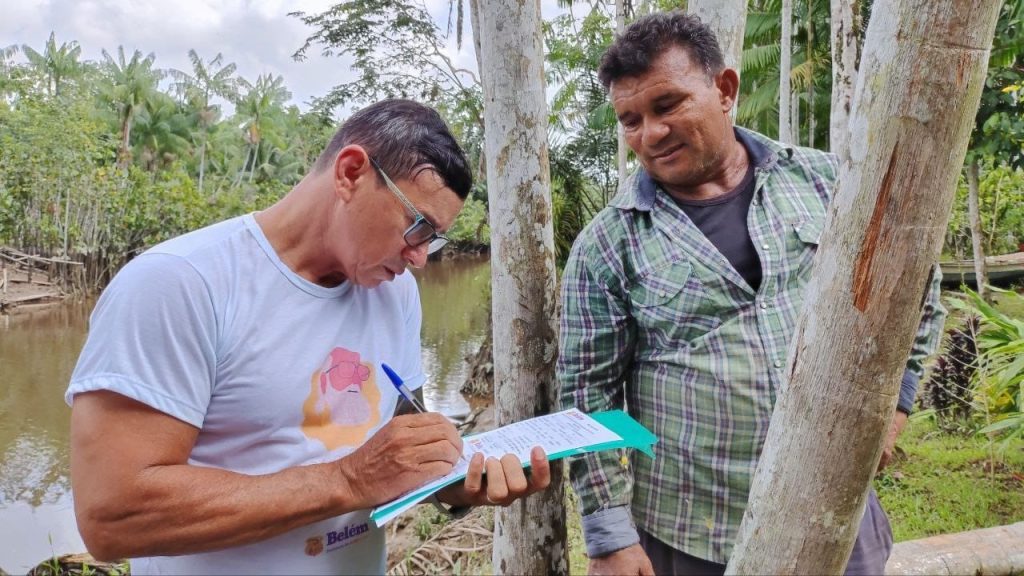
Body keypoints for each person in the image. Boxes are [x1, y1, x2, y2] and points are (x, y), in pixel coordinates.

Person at [67, 98, 550, 575]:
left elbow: (402, 451)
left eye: (433, 239)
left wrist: (456, 482)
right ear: (351, 173)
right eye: (418, 227)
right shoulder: (179, 284)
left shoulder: (395, 292)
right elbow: (113, 517)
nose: (420, 257)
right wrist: (348, 480)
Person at [556, 12, 945, 576]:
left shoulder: (828, 184)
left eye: (667, 105)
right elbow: (587, 400)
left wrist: (897, 401)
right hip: (690, 532)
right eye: (630, 119)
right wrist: (610, 536)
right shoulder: (607, 245)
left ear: (725, 89)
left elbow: (913, 284)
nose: (650, 133)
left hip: (834, 510)